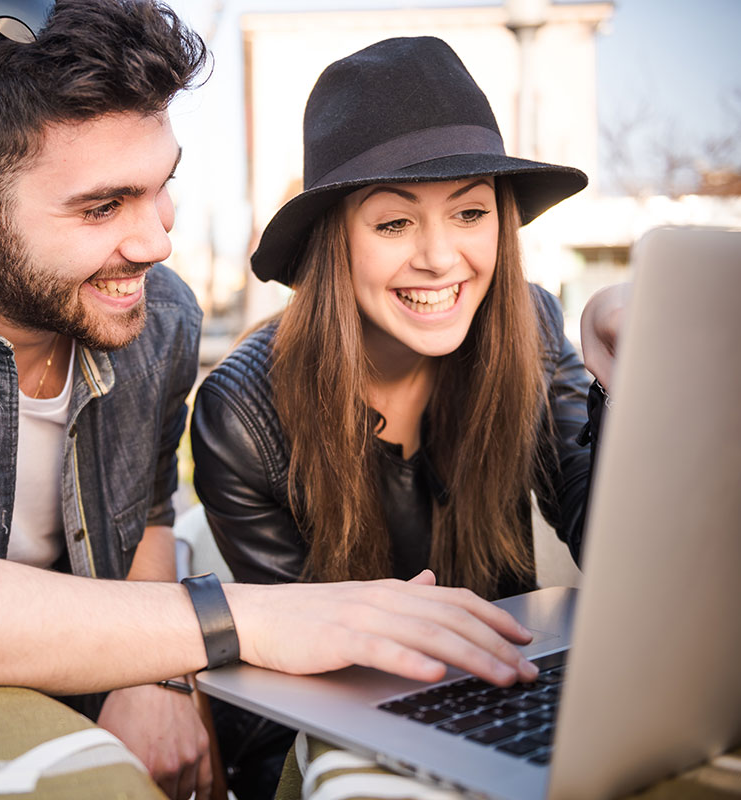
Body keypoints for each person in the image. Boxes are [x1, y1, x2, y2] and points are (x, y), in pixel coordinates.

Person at [0, 8, 555, 799]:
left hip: (60, 709)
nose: (155, 240)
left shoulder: (160, 315)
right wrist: (238, 623)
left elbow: (148, 516)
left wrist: (152, 675)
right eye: (104, 205)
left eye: (160, 187)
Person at [190, 36, 623, 794]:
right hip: (330, 735)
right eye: (394, 223)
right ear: (336, 242)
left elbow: (618, 547)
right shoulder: (241, 415)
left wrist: (625, 385)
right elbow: (300, 670)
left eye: (470, 213)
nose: (440, 257)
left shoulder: (529, 327)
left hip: (506, 694)